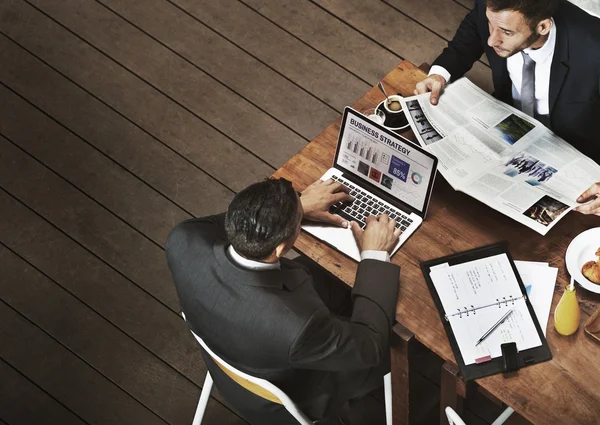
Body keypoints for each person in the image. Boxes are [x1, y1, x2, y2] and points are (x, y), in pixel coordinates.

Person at [166, 177, 402, 425]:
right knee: (395, 343)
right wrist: (374, 254)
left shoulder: (183, 239)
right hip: (295, 389)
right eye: (299, 222)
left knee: (327, 277)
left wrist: (294, 206)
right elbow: (371, 345)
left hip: (228, 357)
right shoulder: (297, 328)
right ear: (280, 249)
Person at [414, 0, 600, 214]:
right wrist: (440, 74)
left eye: (506, 32)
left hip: (577, 156)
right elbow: (469, 36)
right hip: (505, 128)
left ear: (543, 27)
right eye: (490, 25)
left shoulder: (595, 50)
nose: (492, 39)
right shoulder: (493, 9)